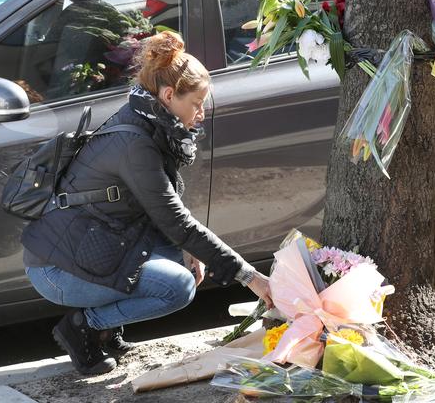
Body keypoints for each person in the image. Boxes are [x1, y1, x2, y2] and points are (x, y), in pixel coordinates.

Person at [21, 31, 274, 375]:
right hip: (56, 269)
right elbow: (175, 219)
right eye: (197, 104)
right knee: (178, 287)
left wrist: (190, 250)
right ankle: (85, 326)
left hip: (91, 242)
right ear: (169, 95)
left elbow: (161, 209)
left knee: (182, 260)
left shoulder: (145, 117)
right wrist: (251, 277)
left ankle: (106, 330)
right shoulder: (136, 142)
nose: (201, 114)